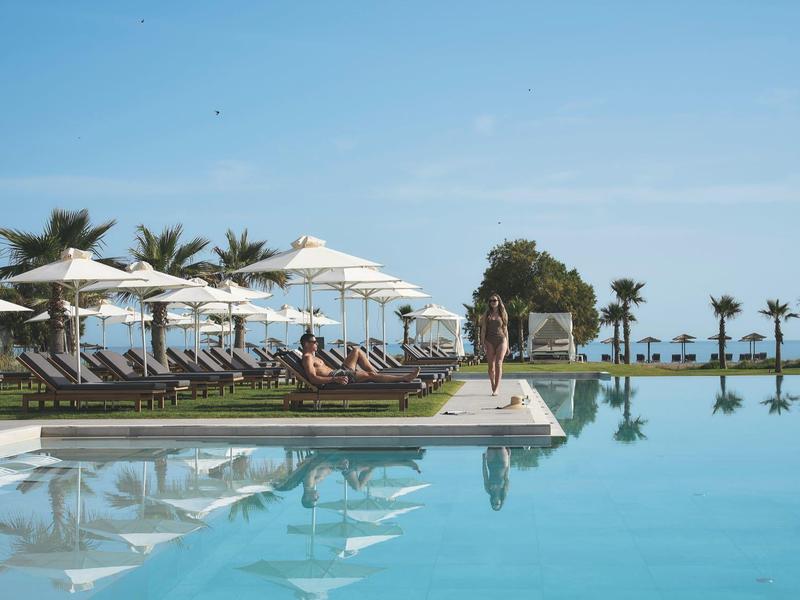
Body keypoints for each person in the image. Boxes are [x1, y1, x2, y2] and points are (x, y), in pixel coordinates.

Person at [300, 332, 420, 385]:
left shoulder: (312, 356)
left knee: (356, 351)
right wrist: (334, 379)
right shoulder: (307, 358)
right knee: (370, 376)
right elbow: (313, 378)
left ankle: (377, 375)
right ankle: (404, 378)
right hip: (337, 376)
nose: (317, 344)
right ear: (306, 344)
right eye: (314, 342)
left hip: (339, 372)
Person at [480, 294, 509, 396]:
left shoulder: (503, 313)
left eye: (495, 300)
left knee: (498, 363)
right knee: (490, 367)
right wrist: (482, 343)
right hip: (489, 341)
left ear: (498, 301)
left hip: (501, 340)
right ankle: (493, 384)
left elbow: (505, 330)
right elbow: (483, 330)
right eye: (491, 300)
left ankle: (496, 388)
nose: (493, 302)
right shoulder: (486, 314)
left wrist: (508, 345)